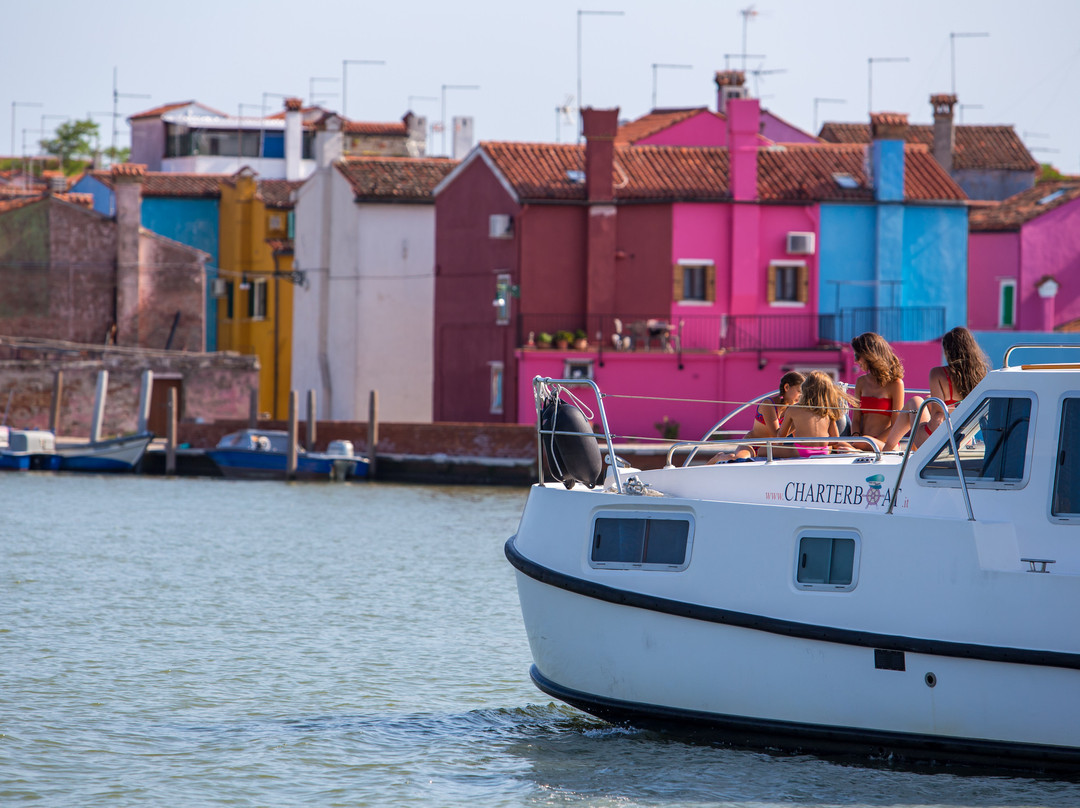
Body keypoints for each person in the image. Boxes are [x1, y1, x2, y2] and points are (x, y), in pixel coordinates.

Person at [882, 326, 991, 452]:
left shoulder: (938, 374)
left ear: (949, 351)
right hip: (965, 438)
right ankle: (904, 449)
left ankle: (888, 449)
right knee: (928, 399)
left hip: (936, 439)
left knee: (915, 401)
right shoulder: (979, 376)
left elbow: (938, 413)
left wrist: (938, 445)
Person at [710, 371, 805, 462]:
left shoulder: (792, 410)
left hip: (769, 448)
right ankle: (719, 457)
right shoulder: (768, 404)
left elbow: (797, 439)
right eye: (799, 391)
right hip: (752, 444)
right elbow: (776, 436)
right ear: (787, 387)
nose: (801, 396)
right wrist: (796, 422)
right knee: (738, 460)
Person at [774, 371, 858, 458]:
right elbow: (835, 440)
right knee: (833, 446)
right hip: (824, 451)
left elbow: (781, 436)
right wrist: (821, 445)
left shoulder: (793, 409)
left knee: (765, 450)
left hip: (802, 451)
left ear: (805, 389)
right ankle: (857, 451)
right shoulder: (827, 411)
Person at [849, 332, 905, 450]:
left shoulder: (896, 384)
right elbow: (856, 420)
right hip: (862, 442)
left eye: (857, 356)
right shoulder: (861, 382)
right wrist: (856, 439)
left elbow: (896, 426)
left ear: (870, 355)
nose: (855, 361)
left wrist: (870, 443)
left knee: (843, 448)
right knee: (838, 445)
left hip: (886, 444)